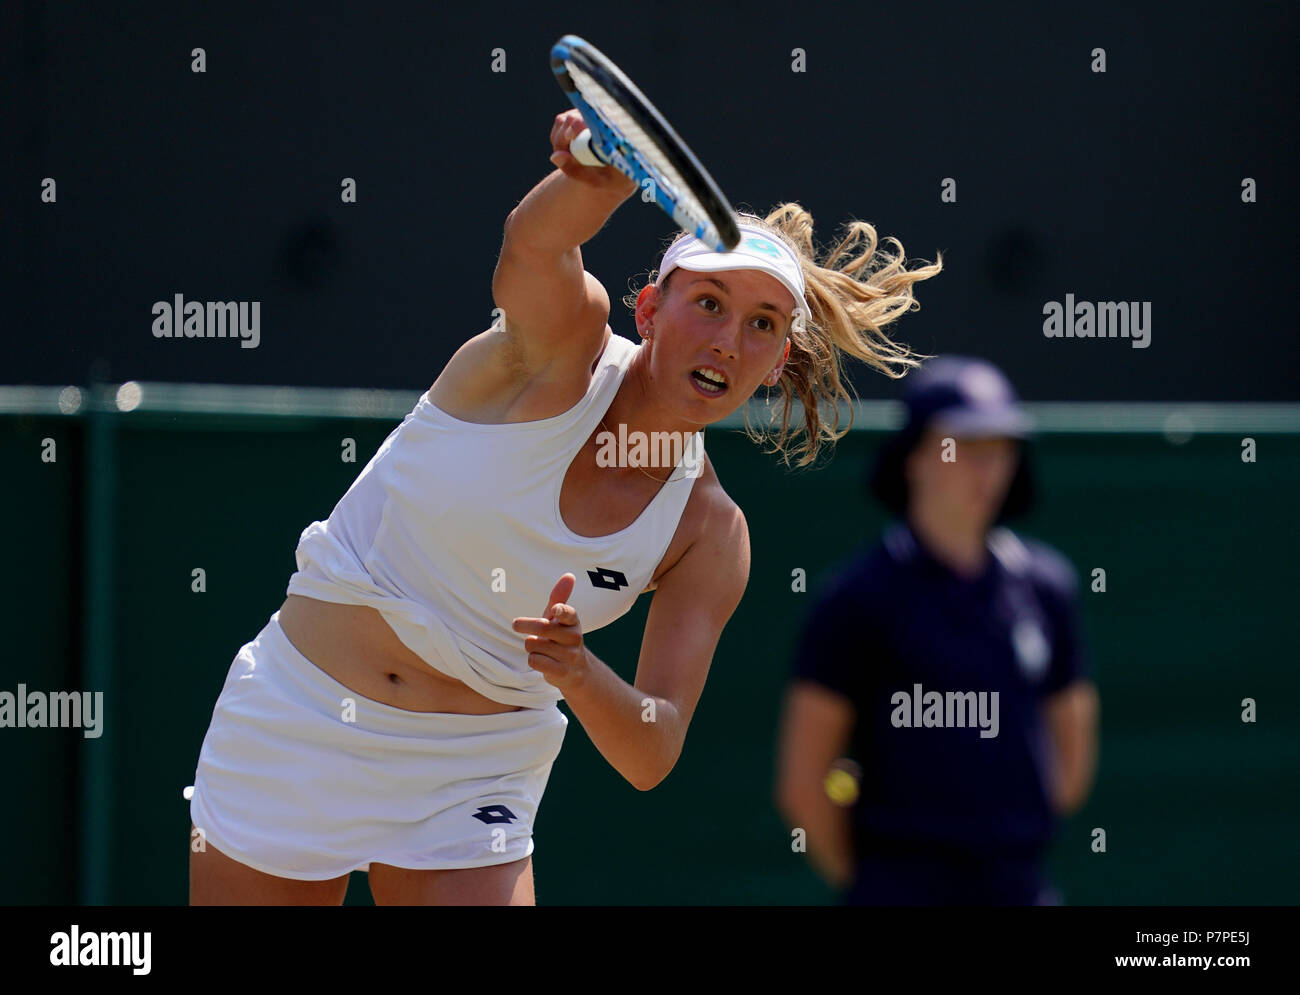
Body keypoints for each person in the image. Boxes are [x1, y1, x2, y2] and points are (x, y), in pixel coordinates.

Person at [188, 108, 941, 905]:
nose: (728, 341)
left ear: (778, 359)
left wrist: (579, 673)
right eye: (709, 304)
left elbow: (652, 750)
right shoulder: (558, 349)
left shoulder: (709, 533)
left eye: (761, 324)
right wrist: (598, 181)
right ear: (649, 310)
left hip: (475, 771)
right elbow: (534, 245)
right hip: (302, 715)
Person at [776, 356, 1100, 905]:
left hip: (1021, 886)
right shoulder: (855, 600)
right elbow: (805, 785)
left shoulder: (1048, 588)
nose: (986, 468)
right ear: (915, 458)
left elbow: (1070, 762)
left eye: (999, 449)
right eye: (964, 446)